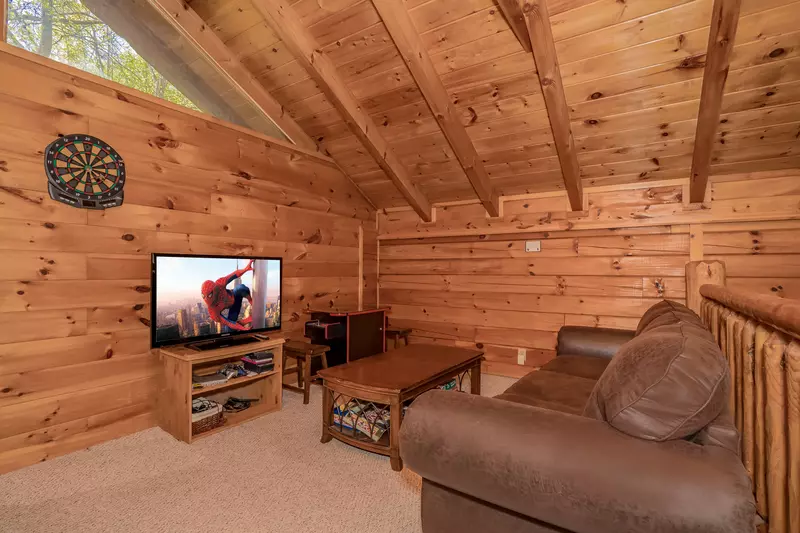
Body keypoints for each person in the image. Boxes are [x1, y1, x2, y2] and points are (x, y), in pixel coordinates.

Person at [201, 259, 254, 332]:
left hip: (235, 295)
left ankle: (251, 300)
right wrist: (243, 328)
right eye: (204, 296)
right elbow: (229, 323)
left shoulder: (219, 284)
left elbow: (234, 275)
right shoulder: (213, 311)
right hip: (233, 307)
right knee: (229, 329)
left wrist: (245, 269)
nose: (207, 299)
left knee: (240, 288)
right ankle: (243, 322)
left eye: (209, 295)